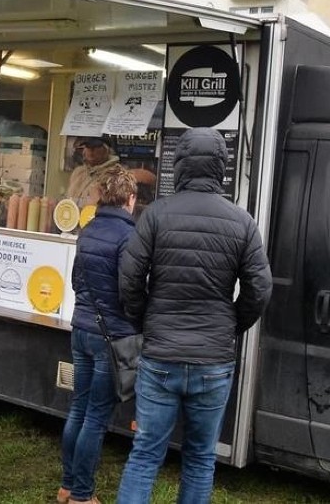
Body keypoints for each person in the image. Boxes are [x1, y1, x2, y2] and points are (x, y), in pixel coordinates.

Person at [116, 127, 273, 503]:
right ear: (221, 167)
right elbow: (260, 288)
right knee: (201, 459)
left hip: (161, 356)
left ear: (179, 165)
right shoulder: (242, 221)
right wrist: (232, 325)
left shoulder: (155, 215)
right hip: (213, 360)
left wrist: (144, 322)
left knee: (145, 455)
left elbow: (129, 279)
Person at [58, 165, 138, 504]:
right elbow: (130, 290)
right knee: (96, 416)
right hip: (111, 337)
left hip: (82, 329)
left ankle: (66, 485)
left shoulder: (87, 230)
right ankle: (81, 495)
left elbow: (77, 281)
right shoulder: (129, 237)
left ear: (103, 196)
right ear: (130, 199)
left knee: (78, 407)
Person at [66, 136, 120, 206]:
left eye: (95, 146)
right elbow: (68, 196)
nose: (91, 150)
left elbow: (99, 202)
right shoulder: (78, 172)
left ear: (106, 150)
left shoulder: (113, 173)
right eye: (87, 146)